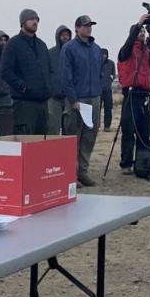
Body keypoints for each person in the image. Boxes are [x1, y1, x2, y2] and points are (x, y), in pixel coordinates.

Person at [61, 16, 107, 185]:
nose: (88, 28)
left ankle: (83, 171)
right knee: (74, 136)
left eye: (90, 25)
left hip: (94, 98)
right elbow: (66, 76)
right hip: (77, 99)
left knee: (90, 135)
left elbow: (101, 73)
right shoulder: (69, 49)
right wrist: (73, 99)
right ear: (77, 28)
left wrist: (98, 91)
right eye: (85, 26)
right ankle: (70, 174)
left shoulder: (96, 49)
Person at [2, 10, 54, 135]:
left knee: (41, 144)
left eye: (37, 19)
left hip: (43, 104)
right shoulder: (13, 44)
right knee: (25, 142)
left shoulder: (41, 45)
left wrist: (49, 87)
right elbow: (5, 71)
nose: (35, 22)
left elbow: (49, 70)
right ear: (23, 22)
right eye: (31, 19)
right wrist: (23, 87)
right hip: (24, 104)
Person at [117, 19, 150, 165]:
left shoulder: (146, 50)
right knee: (128, 130)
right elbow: (127, 46)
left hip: (144, 95)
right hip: (131, 94)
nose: (142, 33)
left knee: (144, 132)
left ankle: (142, 162)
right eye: (140, 31)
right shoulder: (126, 50)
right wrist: (139, 23)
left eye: (144, 32)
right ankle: (126, 162)